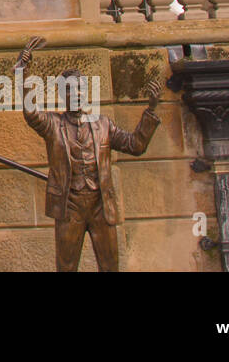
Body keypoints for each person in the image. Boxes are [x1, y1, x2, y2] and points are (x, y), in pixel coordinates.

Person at [14, 36, 160, 272]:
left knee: (110, 265)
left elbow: (135, 145)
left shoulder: (103, 125)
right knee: (67, 266)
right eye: (71, 91)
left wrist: (151, 111)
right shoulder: (53, 125)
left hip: (100, 204)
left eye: (81, 90)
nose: (78, 95)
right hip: (69, 204)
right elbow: (31, 113)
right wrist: (22, 73)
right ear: (63, 96)